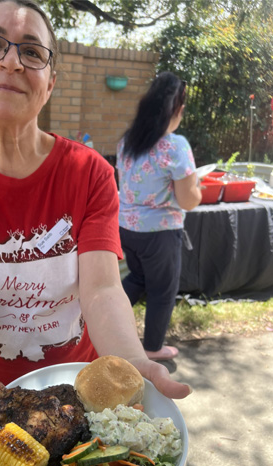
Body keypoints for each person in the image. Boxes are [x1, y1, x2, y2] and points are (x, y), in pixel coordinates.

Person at [0, 1, 192, 466]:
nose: (12, 61)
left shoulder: (89, 174)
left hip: (81, 399)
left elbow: (103, 290)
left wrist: (130, 363)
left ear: (51, 82)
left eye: (32, 52)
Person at [116, 72, 202, 362]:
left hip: (127, 228)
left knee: (137, 278)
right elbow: (189, 200)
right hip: (160, 233)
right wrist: (198, 190)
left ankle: (100, 324)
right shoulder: (175, 146)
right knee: (162, 292)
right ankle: (152, 349)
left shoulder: (128, 141)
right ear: (175, 109)